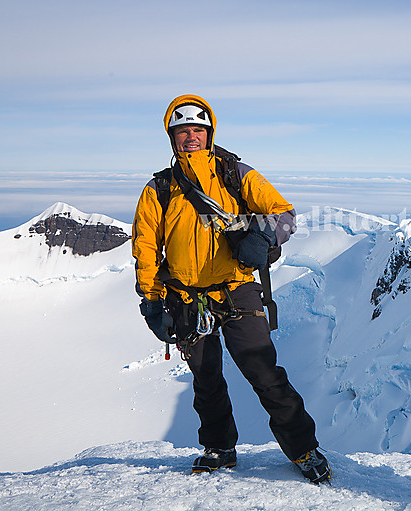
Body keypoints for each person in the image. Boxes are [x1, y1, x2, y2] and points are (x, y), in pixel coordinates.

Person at [131, 94, 331, 483]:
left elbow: (284, 214)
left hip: (236, 287)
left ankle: (303, 448)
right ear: (172, 137)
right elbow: (145, 246)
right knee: (206, 378)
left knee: (263, 370)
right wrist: (151, 300)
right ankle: (218, 448)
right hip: (186, 296)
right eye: (182, 131)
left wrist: (265, 237)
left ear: (210, 133)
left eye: (197, 130)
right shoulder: (159, 188)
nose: (190, 137)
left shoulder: (236, 174)